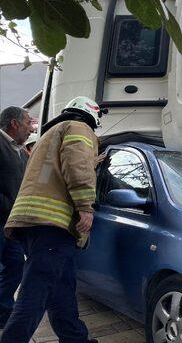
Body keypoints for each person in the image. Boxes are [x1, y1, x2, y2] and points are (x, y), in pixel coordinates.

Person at [0, 97, 103, 343]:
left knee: (61, 290)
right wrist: (85, 206)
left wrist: (94, 160)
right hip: (53, 225)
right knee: (36, 292)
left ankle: (75, 339)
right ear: (92, 115)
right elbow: (77, 165)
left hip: (32, 222)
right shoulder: (79, 128)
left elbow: (54, 170)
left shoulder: (51, 133)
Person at [0, 107, 32, 328]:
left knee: (15, 267)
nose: (31, 129)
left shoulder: (19, 150)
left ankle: (3, 312)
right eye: (28, 123)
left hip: (11, 223)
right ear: (14, 124)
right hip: (1, 218)